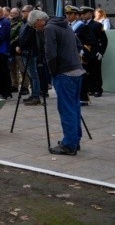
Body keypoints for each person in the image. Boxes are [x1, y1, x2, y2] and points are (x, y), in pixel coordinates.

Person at [30, 9, 84, 156]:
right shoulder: (65, 24)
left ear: (40, 21)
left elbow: (50, 54)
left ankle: (69, 145)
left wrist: (52, 72)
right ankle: (74, 140)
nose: (37, 29)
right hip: (77, 70)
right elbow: (79, 46)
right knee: (74, 106)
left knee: (66, 108)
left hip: (64, 72)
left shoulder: (49, 28)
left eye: (35, 26)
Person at [65, 5, 95, 106]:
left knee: (81, 78)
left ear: (76, 15)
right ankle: (74, 96)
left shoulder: (82, 26)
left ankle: (83, 98)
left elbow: (90, 41)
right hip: (69, 56)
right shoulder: (66, 26)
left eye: (70, 14)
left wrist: (83, 51)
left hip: (80, 56)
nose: (68, 16)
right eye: (67, 14)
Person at [81, 6, 108, 98]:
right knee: (86, 72)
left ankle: (97, 89)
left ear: (90, 14)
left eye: (85, 13)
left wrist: (101, 52)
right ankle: (90, 89)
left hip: (94, 52)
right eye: (82, 14)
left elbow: (104, 40)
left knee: (96, 71)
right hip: (84, 53)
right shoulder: (80, 25)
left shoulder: (97, 25)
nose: (83, 15)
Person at [17, 5, 41, 106]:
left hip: (29, 52)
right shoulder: (24, 23)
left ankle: (36, 96)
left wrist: (21, 47)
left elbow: (27, 38)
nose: (21, 13)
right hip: (24, 52)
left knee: (33, 74)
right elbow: (21, 37)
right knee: (30, 74)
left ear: (30, 12)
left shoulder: (31, 24)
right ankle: (33, 94)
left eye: (23, 11)